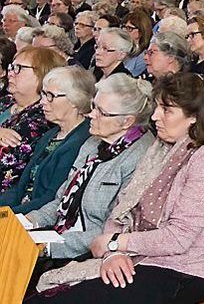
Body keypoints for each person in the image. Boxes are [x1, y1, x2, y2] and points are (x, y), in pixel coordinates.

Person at [29, 72, 204, 304]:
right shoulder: (162, 147)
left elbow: (179, 238)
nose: (155, 116)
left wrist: (117, 242)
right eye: (158, 107)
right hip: (138, 256)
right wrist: (113, 252)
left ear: (194, 118)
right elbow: (122, 210)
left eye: (167, 110)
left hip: (182, 270)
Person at [20, 74, 154, 259]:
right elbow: (60, 200)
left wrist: (47, 248)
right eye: (93, 106)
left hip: (90, 252)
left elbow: (109, 229)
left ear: (127, 121)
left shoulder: (141, 159)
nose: (91, 114)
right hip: (58, 234)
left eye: (101, 111)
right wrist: (29, 221)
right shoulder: (93, 142)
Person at [0, 67, 94, 212]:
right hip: (21, 210)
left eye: (50, 95)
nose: (43, 101)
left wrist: (9, 215)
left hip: (37, 218)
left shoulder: (82, 142)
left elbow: (51, 198)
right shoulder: (51, 134)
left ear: (75, 100)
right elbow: (21, 187)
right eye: (43, 94)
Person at [0, 46, 66, 193]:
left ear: (42, 74)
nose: (10, 73)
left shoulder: (39, 120)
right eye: (12, 67)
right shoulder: (6, 101)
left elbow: (7, 163)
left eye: (19, 68)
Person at [121, 11, 153, 77]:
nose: (124, 31)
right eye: (124, 27)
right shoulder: (122, 50)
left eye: (129, 28)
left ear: (141, 31)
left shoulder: (144, 57)